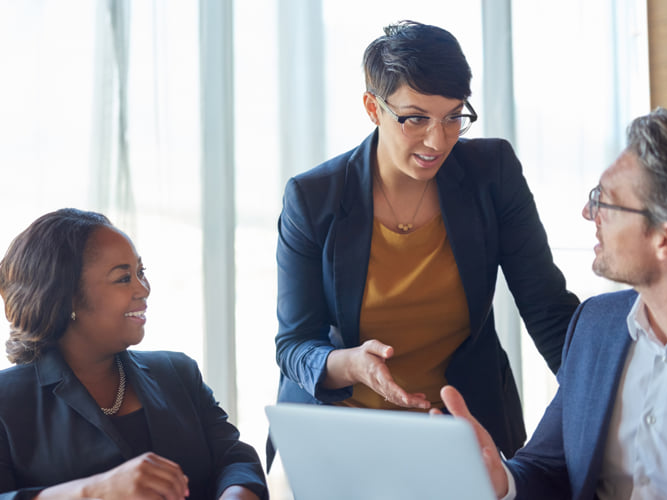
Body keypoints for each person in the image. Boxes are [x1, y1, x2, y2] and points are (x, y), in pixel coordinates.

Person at [272, 19, 579, 464]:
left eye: (454, 116)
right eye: (415, 118)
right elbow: (295, 344)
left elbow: (547, 309)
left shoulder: (492, 173)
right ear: (372, 108)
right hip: (345, 431)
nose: (438, 140)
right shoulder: (314, 197)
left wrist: (607, 406)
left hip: (462, 428)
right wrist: (350, 364)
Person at [437, 108, 667, 499]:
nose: (589, 213)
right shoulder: (595, 325)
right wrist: (503, 479)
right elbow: (547, 468)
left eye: (607, 201)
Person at [0, 209, 268, 500]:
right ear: (66, 297)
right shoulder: (7, 401)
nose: (144, 289)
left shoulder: (178, 373)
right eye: (123, 278)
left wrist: (236, 495)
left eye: (141, 273)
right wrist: (95, 491)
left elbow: (235, 459)